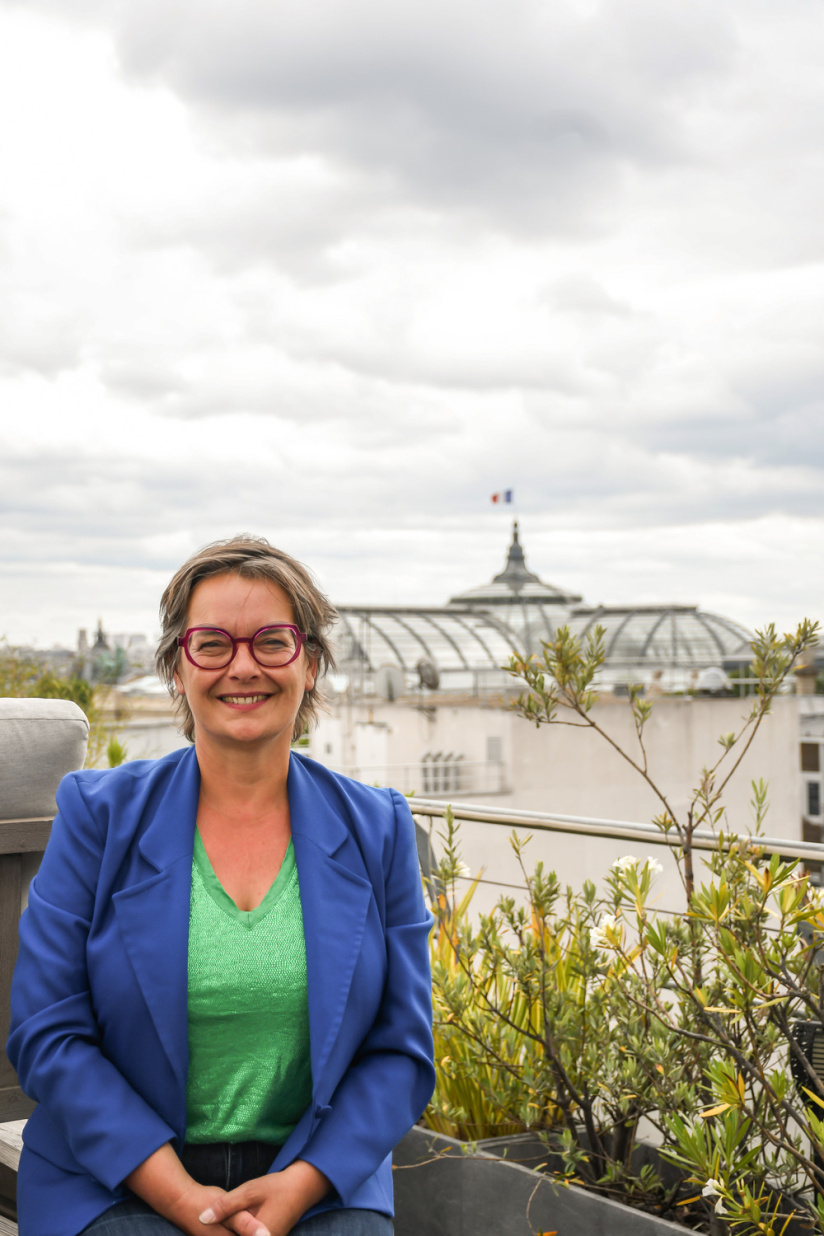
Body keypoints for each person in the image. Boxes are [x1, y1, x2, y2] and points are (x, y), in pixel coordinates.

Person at [8, 536, 435, 1236]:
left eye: (272, 641)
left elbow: (402, 1050)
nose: (244, 666)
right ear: (179, 667)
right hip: (115, 1178)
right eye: (212, 643)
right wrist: (180, 1196)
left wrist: (301, 1187)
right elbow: (48, 1031)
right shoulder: (98, 815)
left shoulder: (378, 828)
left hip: (314, 1175)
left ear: (312, 662)